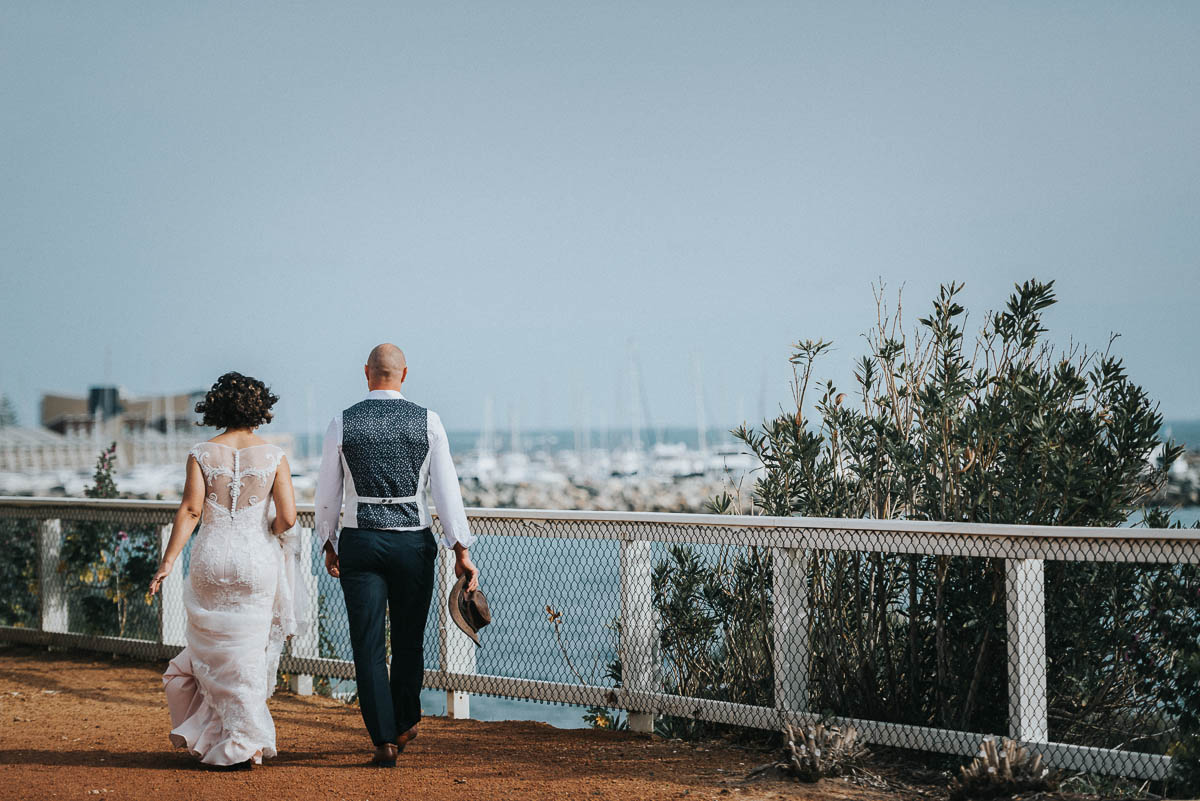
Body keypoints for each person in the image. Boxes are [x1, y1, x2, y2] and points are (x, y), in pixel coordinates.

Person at [315, 343, 479, 767]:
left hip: (361, 542)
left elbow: (327, 494)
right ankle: (405, 720)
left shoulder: (342, 422)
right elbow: (447, 492)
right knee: (409, 640)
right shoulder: (428, 421)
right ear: (403, 373)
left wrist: (328, 542)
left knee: (367, 645)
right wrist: (460, 550)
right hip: (413, 545)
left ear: (366, 373)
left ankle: (385, 739)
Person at [149, 372, 304, 769]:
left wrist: (167, 563)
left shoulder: (202, 452)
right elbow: (287, 517)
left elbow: (190, 510)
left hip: (210, 558)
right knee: (246, 656)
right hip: (255, 561)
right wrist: (264, 532)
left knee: (212, 651)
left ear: (216, 407)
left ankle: (219, 735)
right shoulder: (274, 456)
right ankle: (247, 742)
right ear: (260, 409)